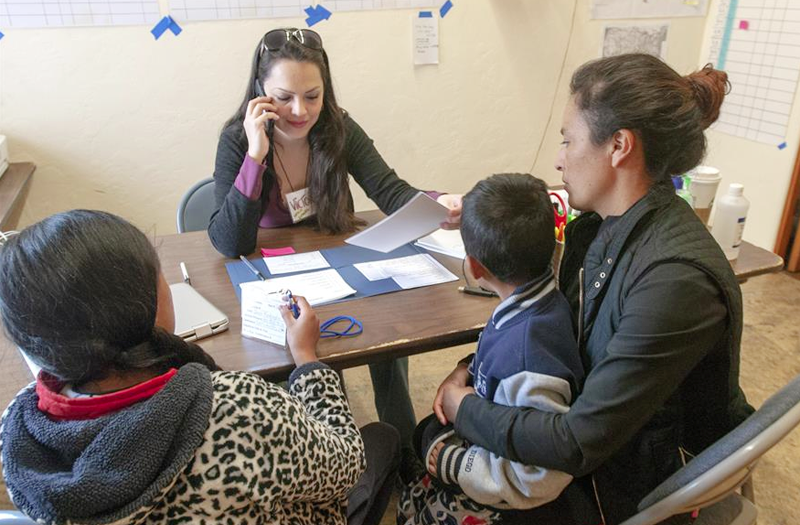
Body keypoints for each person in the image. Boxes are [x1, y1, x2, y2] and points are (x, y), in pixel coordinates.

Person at [435, 54, 754, 525]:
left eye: (568, 140)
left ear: (619, 146)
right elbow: (544, 313)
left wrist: (465, 406)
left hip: (641, 482)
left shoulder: (676, 280)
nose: (559, 159)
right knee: (431, 441)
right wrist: (470, 369)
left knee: (434, 454)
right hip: (611, 446)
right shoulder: (601, 227)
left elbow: (576, 443)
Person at [0, 210, 398, 525]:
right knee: (381, 438)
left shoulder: (19, 427)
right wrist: (308, 361)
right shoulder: (237, 409)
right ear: (146, 306)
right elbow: (344, 466)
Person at [208, 28, 461, 479]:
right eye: (284, 97)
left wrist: (436, 205)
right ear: (260, 94)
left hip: (339, 256)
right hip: (274, 270)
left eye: (313, 95)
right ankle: (333, 456)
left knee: (388, 332)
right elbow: (229, 241)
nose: (300, 111)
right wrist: (256, 153)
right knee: (307, 353)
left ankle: (400, 450)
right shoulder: (237, 139)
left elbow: (390, 189)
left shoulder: (340, 127)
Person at [397, 173, 584, 525]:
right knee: (424, 435)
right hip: (489, 434)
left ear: (475, 267)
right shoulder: (536, 301)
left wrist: (454, 465)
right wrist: (465, 368)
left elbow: (539, 475)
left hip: (501, 495)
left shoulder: (532, 358)